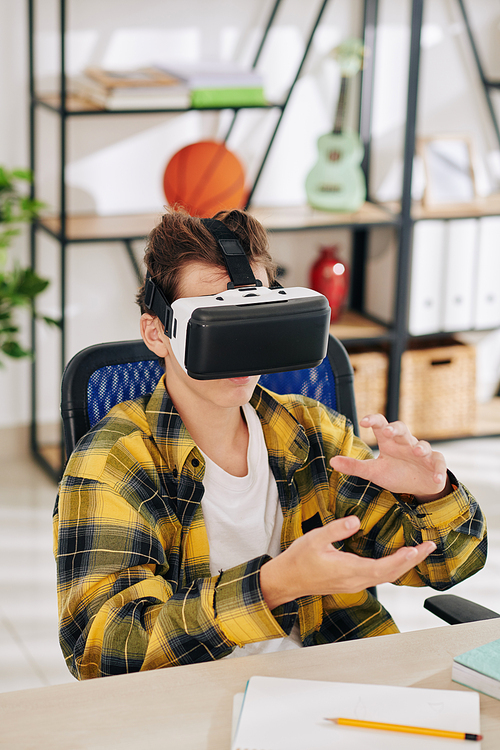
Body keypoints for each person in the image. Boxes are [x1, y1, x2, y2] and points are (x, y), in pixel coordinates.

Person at [54, 208, 487, 680]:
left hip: (342, 682)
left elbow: (447, 566)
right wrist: (270, 587)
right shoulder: (113, 462)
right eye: (216, 320)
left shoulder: (313, 432)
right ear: (157, 333)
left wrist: (431, 493)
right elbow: (100, 652)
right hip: (194, 701)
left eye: (255, 317)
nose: (242, 348)